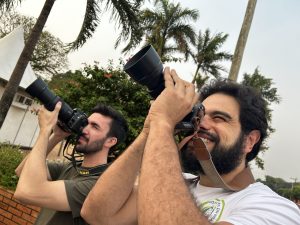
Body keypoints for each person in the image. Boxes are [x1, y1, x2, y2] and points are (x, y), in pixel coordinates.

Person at [81, 67, 300, 225]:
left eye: (219, 118)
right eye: (200, 115)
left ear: (250, 140)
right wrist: (150, 129)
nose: (201, 124)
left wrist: (163, 123)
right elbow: (97, 214)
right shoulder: (178, 182)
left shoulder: (275, 209)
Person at [14, 102, 128, 225]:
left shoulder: (98, 185)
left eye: (94, 126)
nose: (83, 129)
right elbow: (22, 171)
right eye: (86, 123)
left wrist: (45, 130)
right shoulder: (71, 167)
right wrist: (57, 136)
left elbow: (26, 192)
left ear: (110, 141)